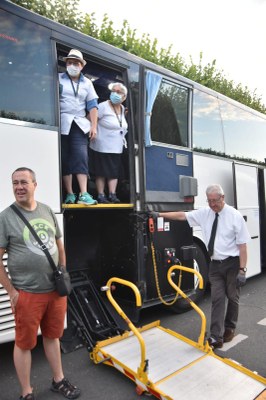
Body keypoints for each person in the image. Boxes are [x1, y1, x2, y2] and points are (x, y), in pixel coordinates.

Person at [0, 167, 80, 400]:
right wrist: (13, 292)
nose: (19, 187)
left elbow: (59, 245)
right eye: (15, 183)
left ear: (35, 185)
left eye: (24, 182)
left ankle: (59, 380)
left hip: (55, 291)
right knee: (24, 343)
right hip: (27, 293)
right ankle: (26, 392)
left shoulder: (46, 211)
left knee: (53, 336)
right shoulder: (6, 217)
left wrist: (62, 272)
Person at [152, 184, 250, 349]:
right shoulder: (205, 213)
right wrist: (159, 214)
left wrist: (242, 270)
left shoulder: (235, 216)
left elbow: (243, 246)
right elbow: (183, 215)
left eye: (215, 201)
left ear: (222, 198)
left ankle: (230, 327)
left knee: (232, 297)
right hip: (215, 265)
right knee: (217, 299)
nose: (212, 204)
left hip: (232, 263)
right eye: (209, 201)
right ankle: (215, 337)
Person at [59, 49, 98, 205]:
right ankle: (69, 193)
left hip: (79, 124)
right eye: (69, 63)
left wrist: (94, 126)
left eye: (76, 63)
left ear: (81, 66)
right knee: (64, 158)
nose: (72, 65)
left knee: (81, 156)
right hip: (62, 122)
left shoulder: (87, 83)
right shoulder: (58, 79)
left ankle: (83, 193)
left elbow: (93, 106)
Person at [89, 82, 128, 204]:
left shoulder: (122, 109)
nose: (115, 94)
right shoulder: (102, 106)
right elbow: (91, 119)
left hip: (116, 146)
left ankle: (112, 194)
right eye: (113, 91)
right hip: (102, 145)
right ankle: (101, 195)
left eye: (118, 92)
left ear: (124, 97)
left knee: (114, 172)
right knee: (101, 172)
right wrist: (94, 130)